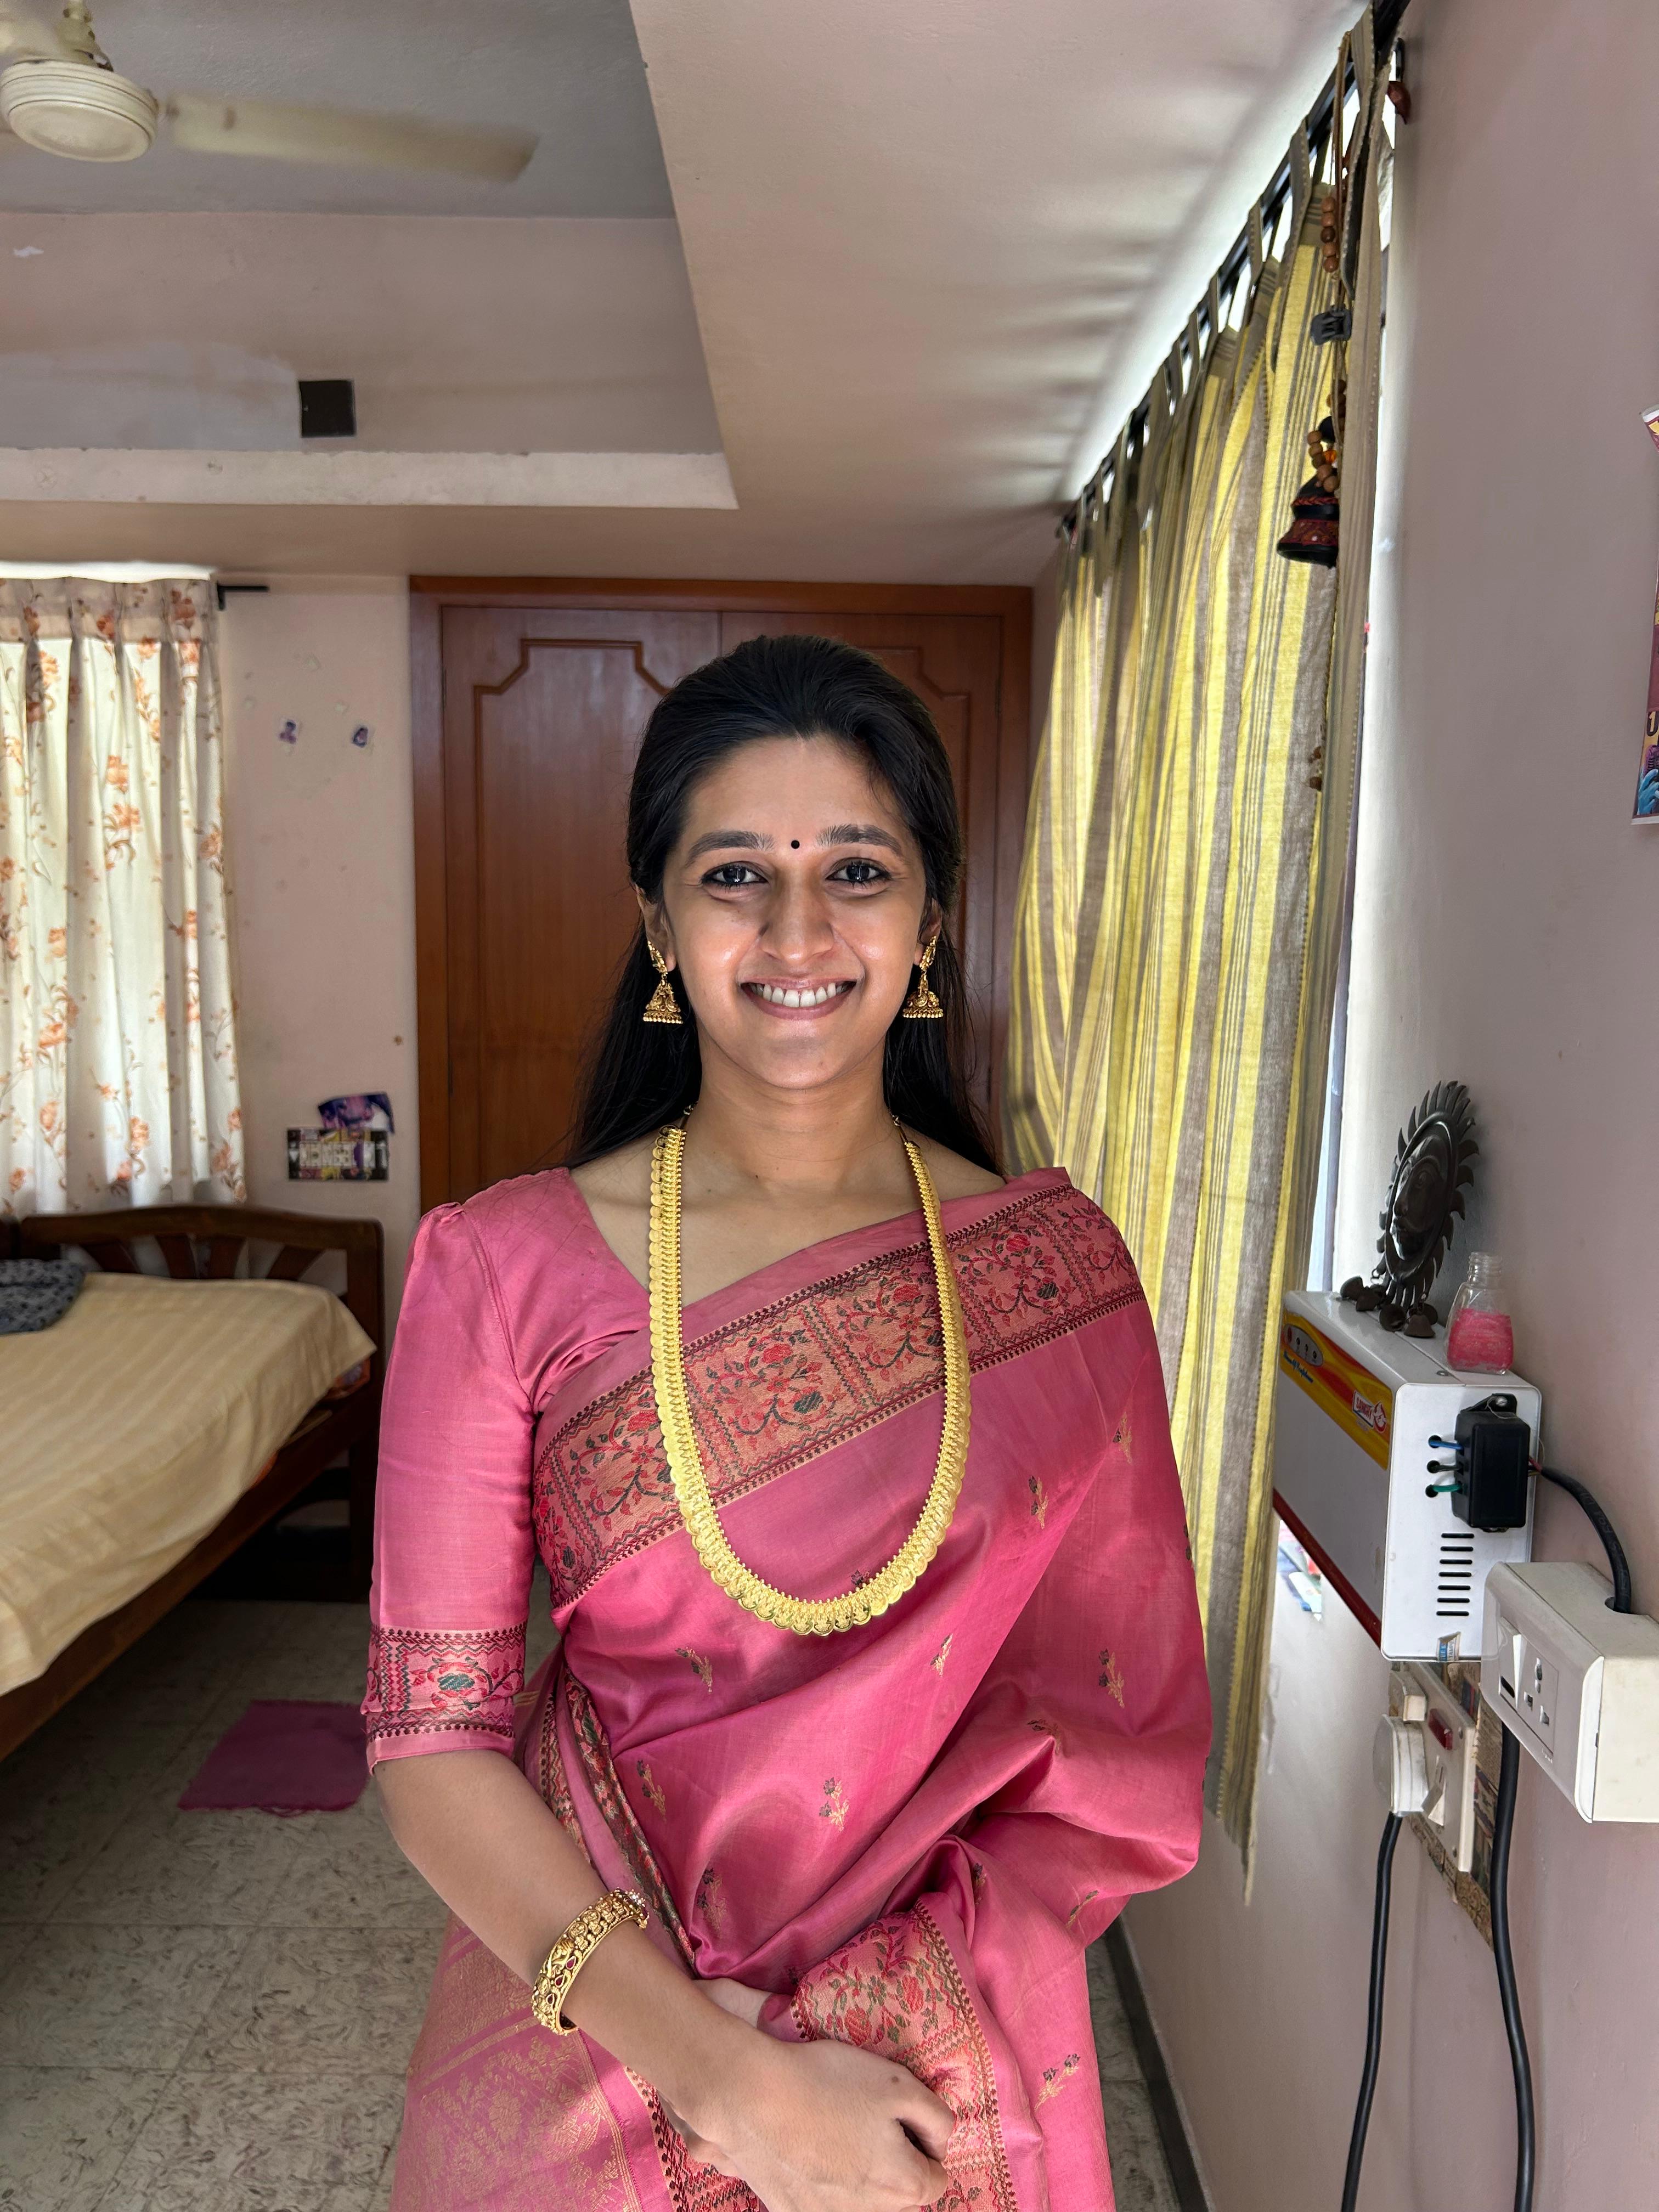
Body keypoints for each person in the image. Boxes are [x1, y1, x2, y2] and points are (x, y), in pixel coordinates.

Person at [365, 633, 1210, 2211]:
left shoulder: (1055, 1273)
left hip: (939, 2078)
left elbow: (1118, 1732)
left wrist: (882, 2024)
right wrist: (727, 2077)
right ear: (659, 926)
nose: (798, 930)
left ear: (932, 921)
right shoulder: (502, 1267)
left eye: (858, 871)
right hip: (601, 2056)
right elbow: (434, 1743)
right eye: (737, 874)